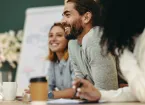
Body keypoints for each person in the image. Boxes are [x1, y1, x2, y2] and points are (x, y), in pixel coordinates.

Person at [72, 0, 145, 102]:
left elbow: (142, 92)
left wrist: (124, 54)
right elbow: (137, 90)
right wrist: (100, 95)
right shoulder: (134, 41)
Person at [62, 0, 118, 93]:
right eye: (63, 16)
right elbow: (81, 88)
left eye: (68, 15)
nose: (62, 21)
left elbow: (106, 92)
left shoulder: (95, 37)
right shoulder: (72, 44)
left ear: (86, 17)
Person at [25, 23, 75, 99]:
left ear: (68, 39)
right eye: (51, 35)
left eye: (59, 35)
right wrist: (38, 89)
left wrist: (48, 94)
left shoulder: (74, 58)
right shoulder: (53, 62)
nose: (53, 39)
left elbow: (76, 91)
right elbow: (49, 86)